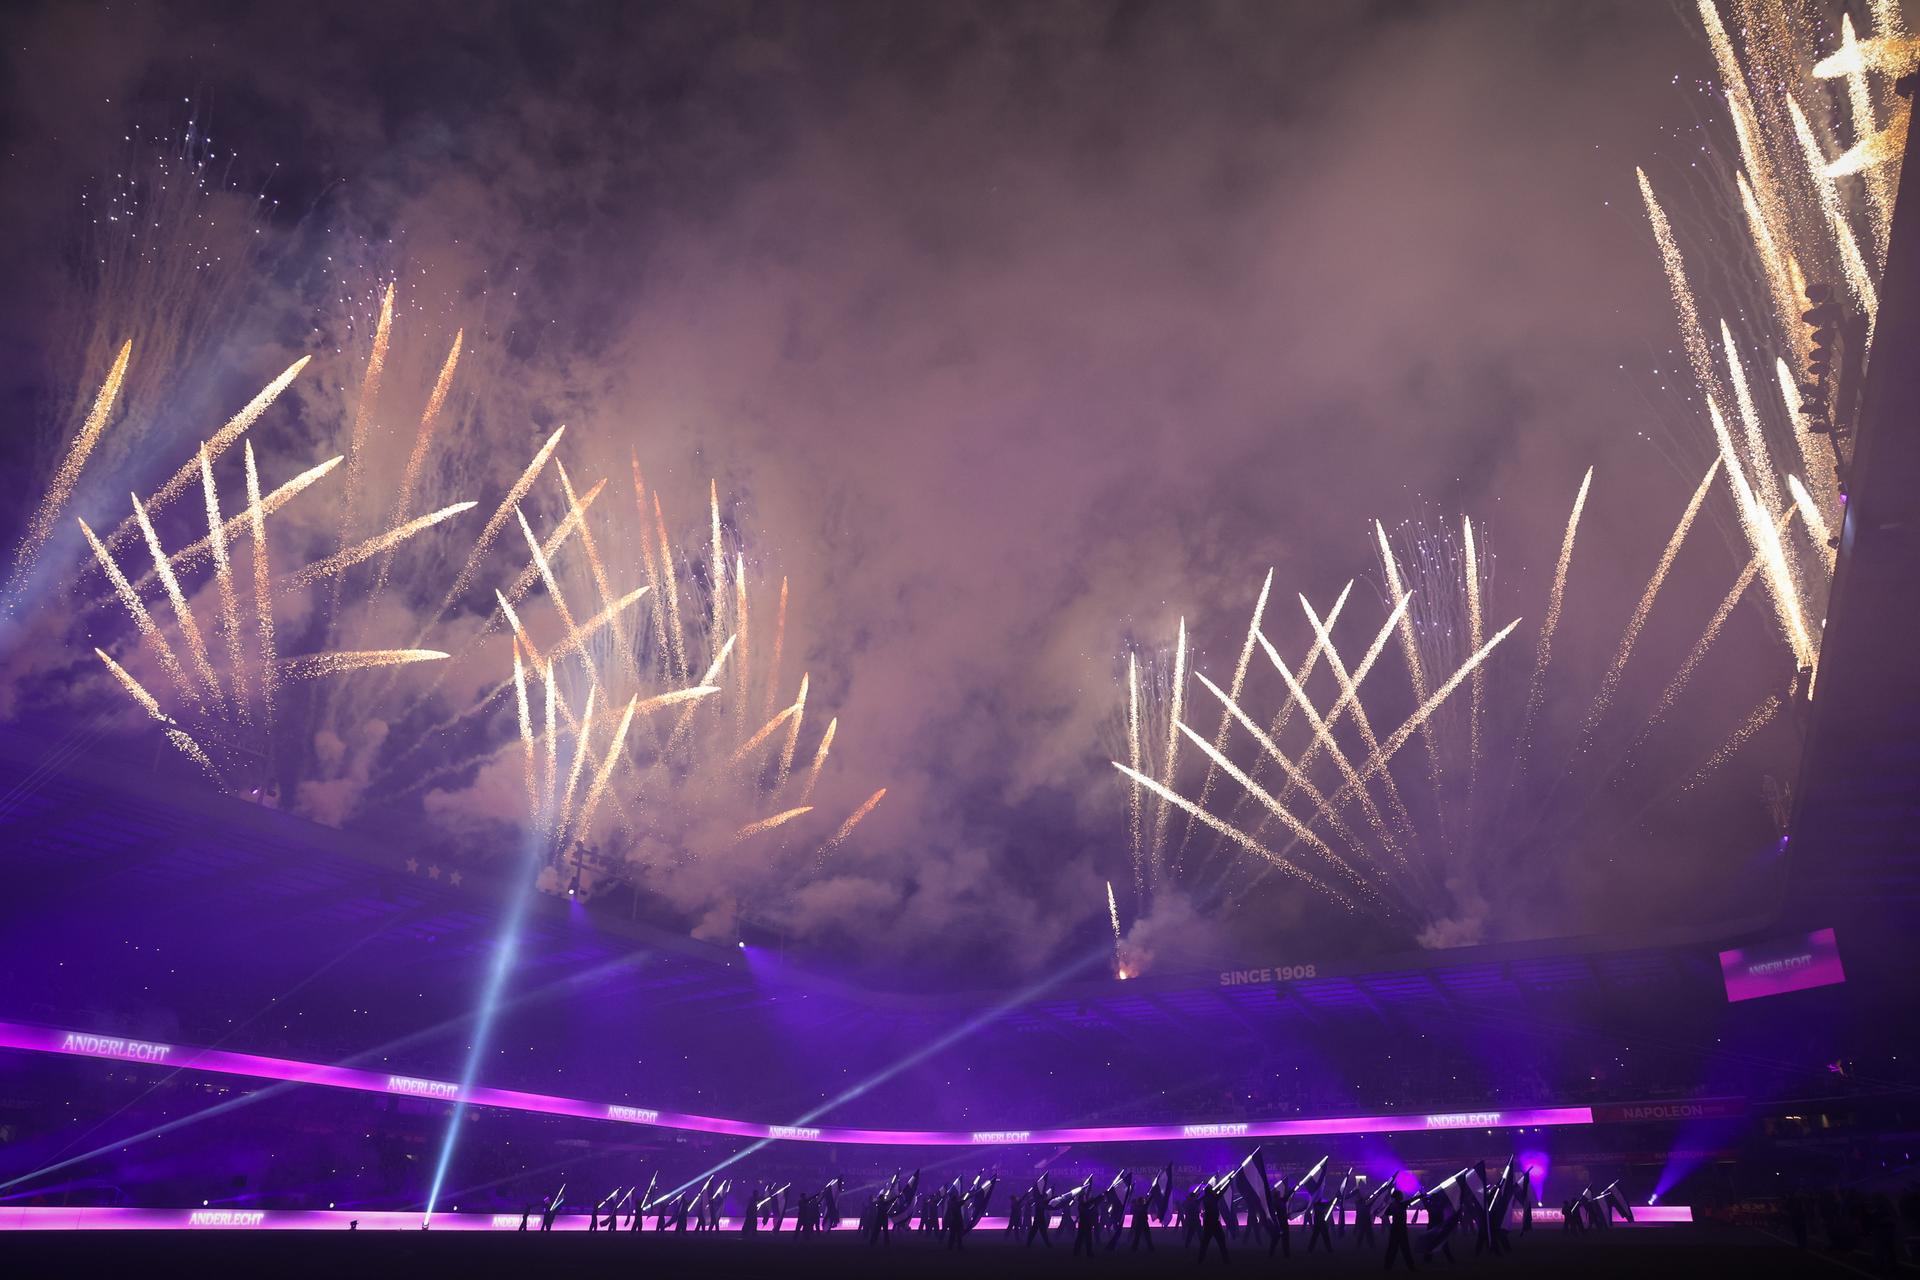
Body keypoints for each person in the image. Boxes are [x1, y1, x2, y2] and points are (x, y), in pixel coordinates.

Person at [1382, 1188, 1416, 1273]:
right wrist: (1420, 1196)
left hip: (1394, 1229)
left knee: (1392, 1249)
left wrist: (1389, 1225)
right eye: (1401, 1195)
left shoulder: (1393, 1205)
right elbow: (1410, 1200)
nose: (1402, 1196)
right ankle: (1411, 1267)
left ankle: (1387, 1266)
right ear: (1398, 1196)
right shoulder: (1401, 1205)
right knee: (1405, 1249)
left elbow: (1386, 1214)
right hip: (1401, 1229)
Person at [1197, 1180, 1230, 1264]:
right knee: (1220, 1241)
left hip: (1209, 1222)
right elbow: (1222, 1191)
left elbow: (1220, 1192)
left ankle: (1200, 1259)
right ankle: (1225, 1259)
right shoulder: (1212, 1198)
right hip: (1213, 1223)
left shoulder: (1206, 1198)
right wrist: (1228, 1182)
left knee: (1205, 1242)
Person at [945, 1185, 967, 1252]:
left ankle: (950, 1247)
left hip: (952, 1222)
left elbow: (960, 1198)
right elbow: (963, 1200)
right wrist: (967, 1195)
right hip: (956, 1221)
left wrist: (964, 1194)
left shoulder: (950, 1203)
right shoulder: (957, 1204)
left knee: (952, 1235)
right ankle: (959, 1247)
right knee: (958, 1235)